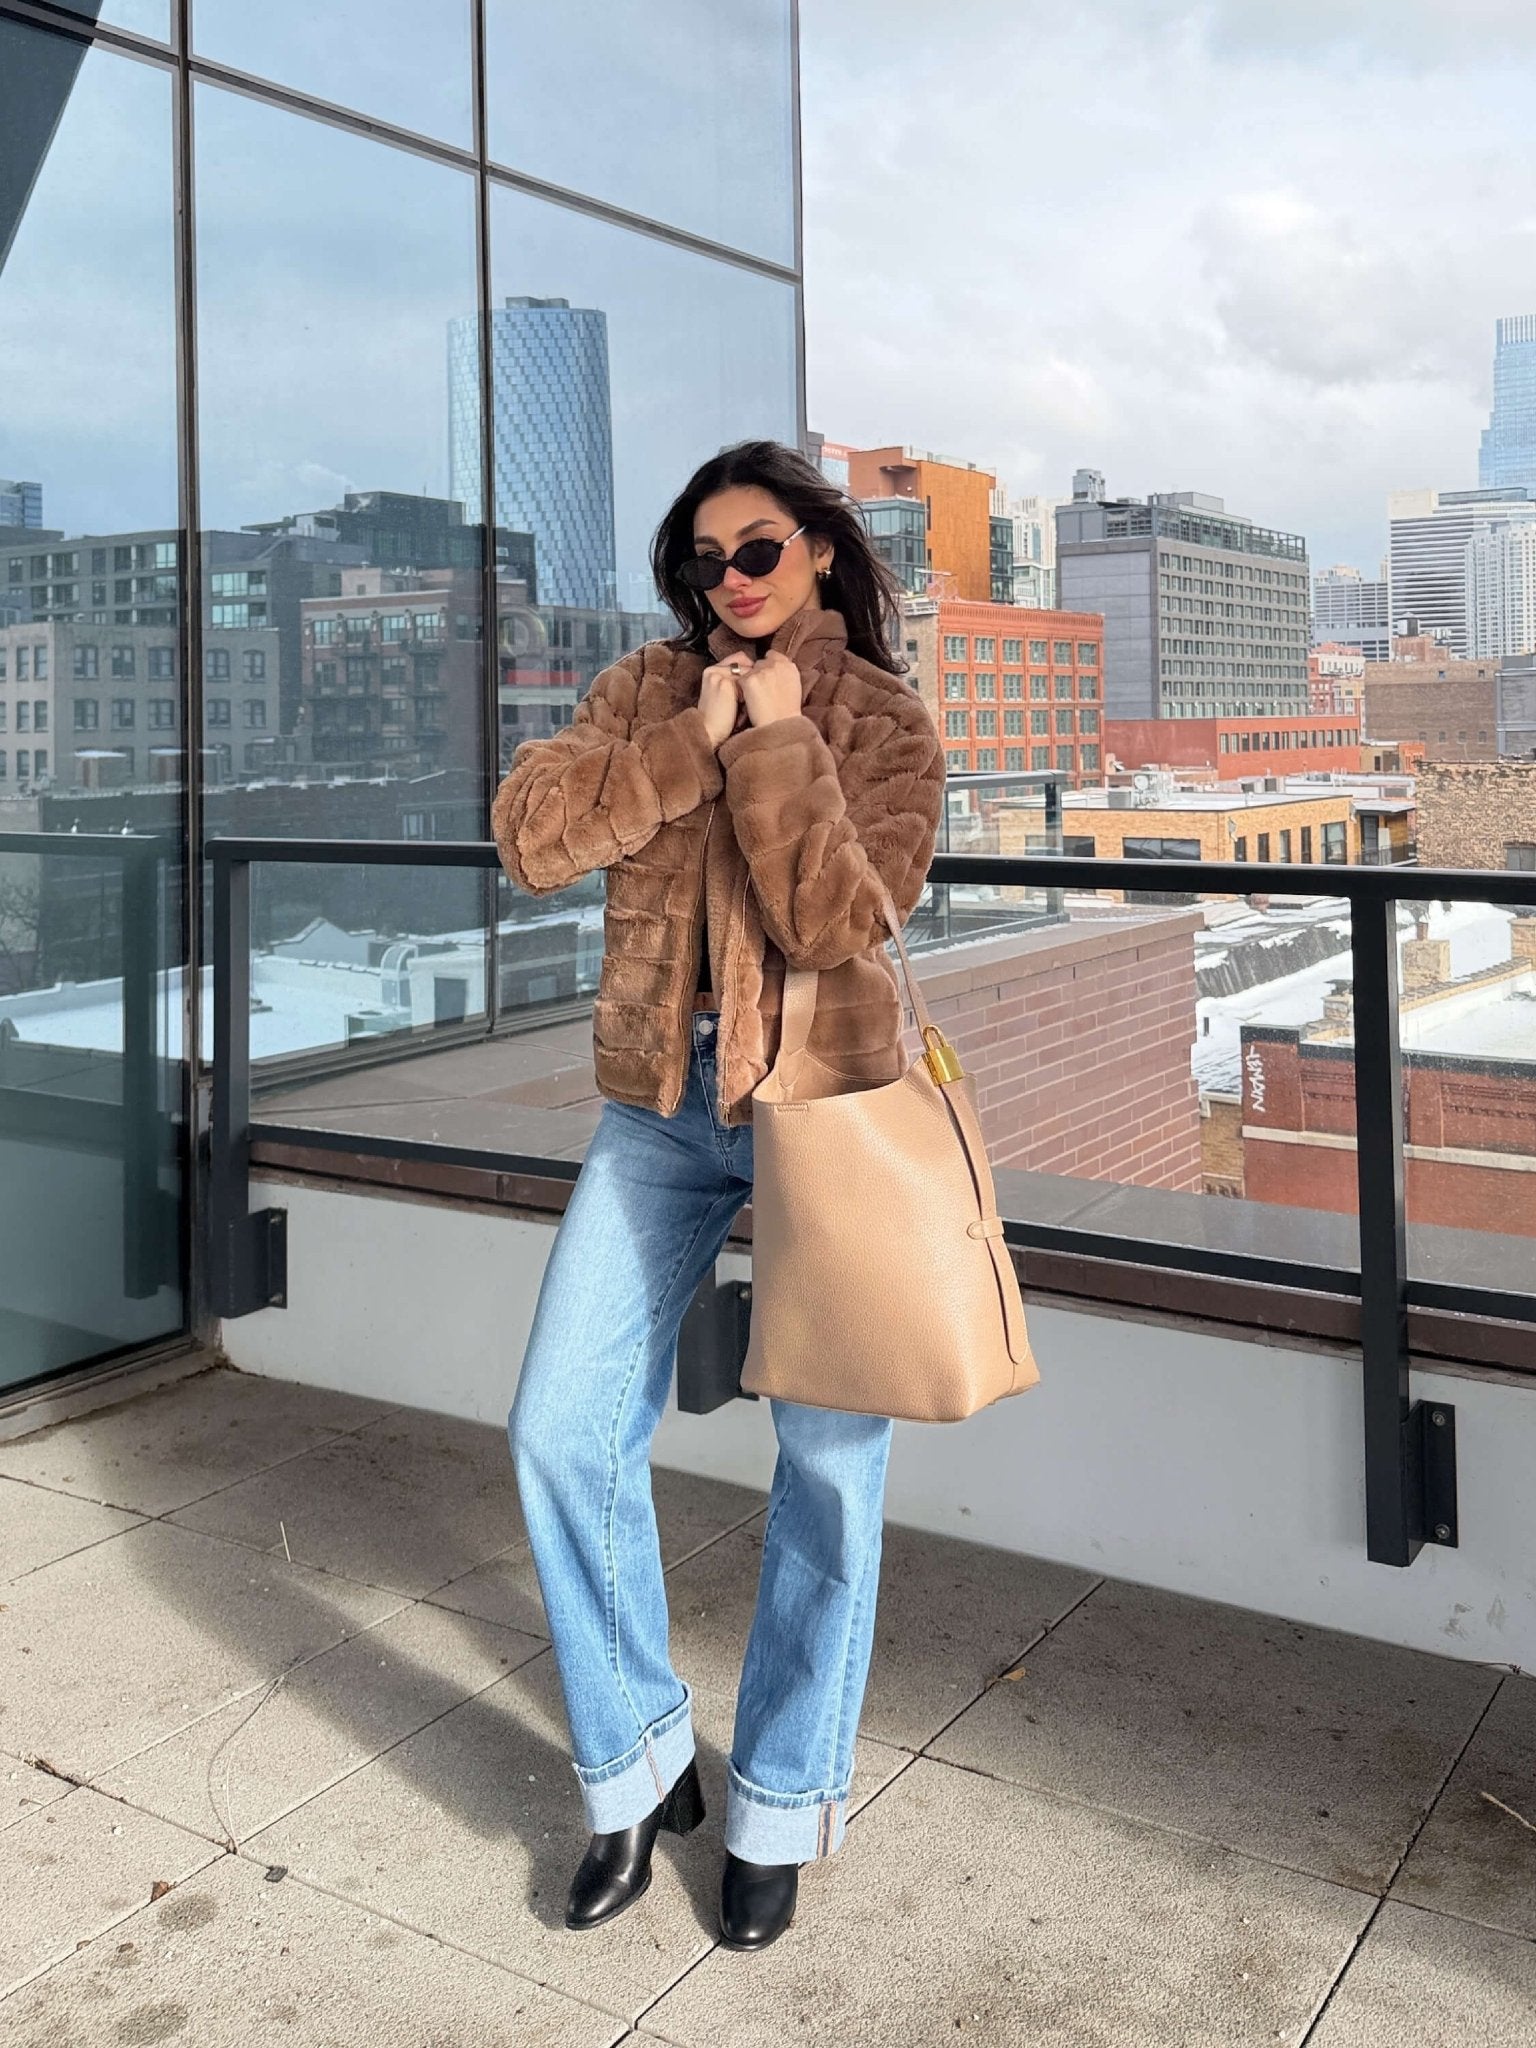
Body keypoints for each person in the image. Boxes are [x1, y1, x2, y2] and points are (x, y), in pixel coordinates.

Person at [492, 438, 945, 1951]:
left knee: (825, 1473)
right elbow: (533, 839)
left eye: (757, 551)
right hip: (660, 1105)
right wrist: (689, 742)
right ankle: (633, 1774)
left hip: (820, 1110)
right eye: (703, 561)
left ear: (819, 549)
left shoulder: (881, 719)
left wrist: (771, 744)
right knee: (562, 1424)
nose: (729, 582)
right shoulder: (639, 691)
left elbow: (834, 917)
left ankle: (776, 1807)